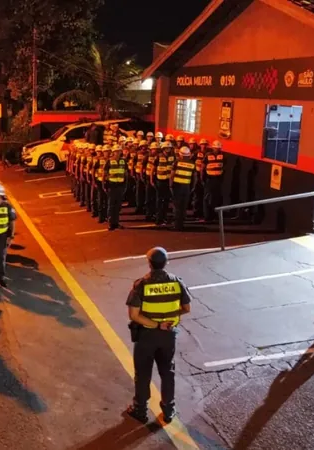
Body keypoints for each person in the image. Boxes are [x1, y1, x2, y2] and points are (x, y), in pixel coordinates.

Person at [125, 247, 192, 424]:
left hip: (146, 336)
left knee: (143, 373)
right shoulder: (177, 283)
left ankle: (140, 409)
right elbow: (186, 308)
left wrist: (155, 324)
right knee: (167, 372)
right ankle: (169, 409)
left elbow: (134, 315)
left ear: (149, 263)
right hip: (168, 336)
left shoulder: (142, 285)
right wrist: (167, 320)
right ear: (166, 262)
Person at [171, 147, 196, 231]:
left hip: (177, 186)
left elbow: (172, 175)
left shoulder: (177, 162)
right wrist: (192, 186)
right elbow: (195, 177)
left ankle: (177, 225)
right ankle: (181, 224)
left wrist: (170, 185)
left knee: (177, 206)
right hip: (186, 187)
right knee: (183, 206)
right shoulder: (192, 163)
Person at [106, 145, 127, 230]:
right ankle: (111, 223)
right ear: (113, 152)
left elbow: (125, 173)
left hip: (120, 185)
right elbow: (105, 174)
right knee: (111, 205)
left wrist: (125, 184)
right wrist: (106, 184)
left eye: (119, 151)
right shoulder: (109, 161)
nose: (118, 153)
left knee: (118, 205)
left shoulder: (123, 161)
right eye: (116, 151)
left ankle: (116, 222)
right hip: (112, 185)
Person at [203, 140, 225, 222]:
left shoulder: (223, 155)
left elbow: (224, 166)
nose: (217, 150)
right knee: (207, 198)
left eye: (218, 148)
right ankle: (207, 216)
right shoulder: (208, 155)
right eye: (216, 148)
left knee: (216, 198)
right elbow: (203, 167)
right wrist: (203, 178)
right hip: (209, 179)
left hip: (218, 179)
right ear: (213, 148)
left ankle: (214, 215)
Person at [155, 142, 175, 226]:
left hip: (168, 180)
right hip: (160, 180)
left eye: (169, 148)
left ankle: (164, 217)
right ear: (163, 149)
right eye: (166, 148)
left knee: (166, 200)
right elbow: (153, 168)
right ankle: (159, 219)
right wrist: (153, 180)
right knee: (160, 200)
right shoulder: (158, 156)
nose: (168, 149)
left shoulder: (172, 157)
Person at [192, 139, 208, 220]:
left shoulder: (208, 154)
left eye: (205, 144)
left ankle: (202, 213)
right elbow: (191, 161)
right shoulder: (196, 153)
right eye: (202, 144)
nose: (204, 146)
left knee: (203, 195)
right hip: (197, 174)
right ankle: (196, 212)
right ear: (200, 145)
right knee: (197, 194)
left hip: (205, 175)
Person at [144, 142, 159, 222]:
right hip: (148, 178)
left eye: (156, 149)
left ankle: (155, 213)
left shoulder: (159, 156)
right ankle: (148, 214)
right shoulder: (147, 156)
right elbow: (143, 166)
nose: (155, 150)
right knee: (149, 197)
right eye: (153, 149)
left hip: (157, 178)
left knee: (156, 197)